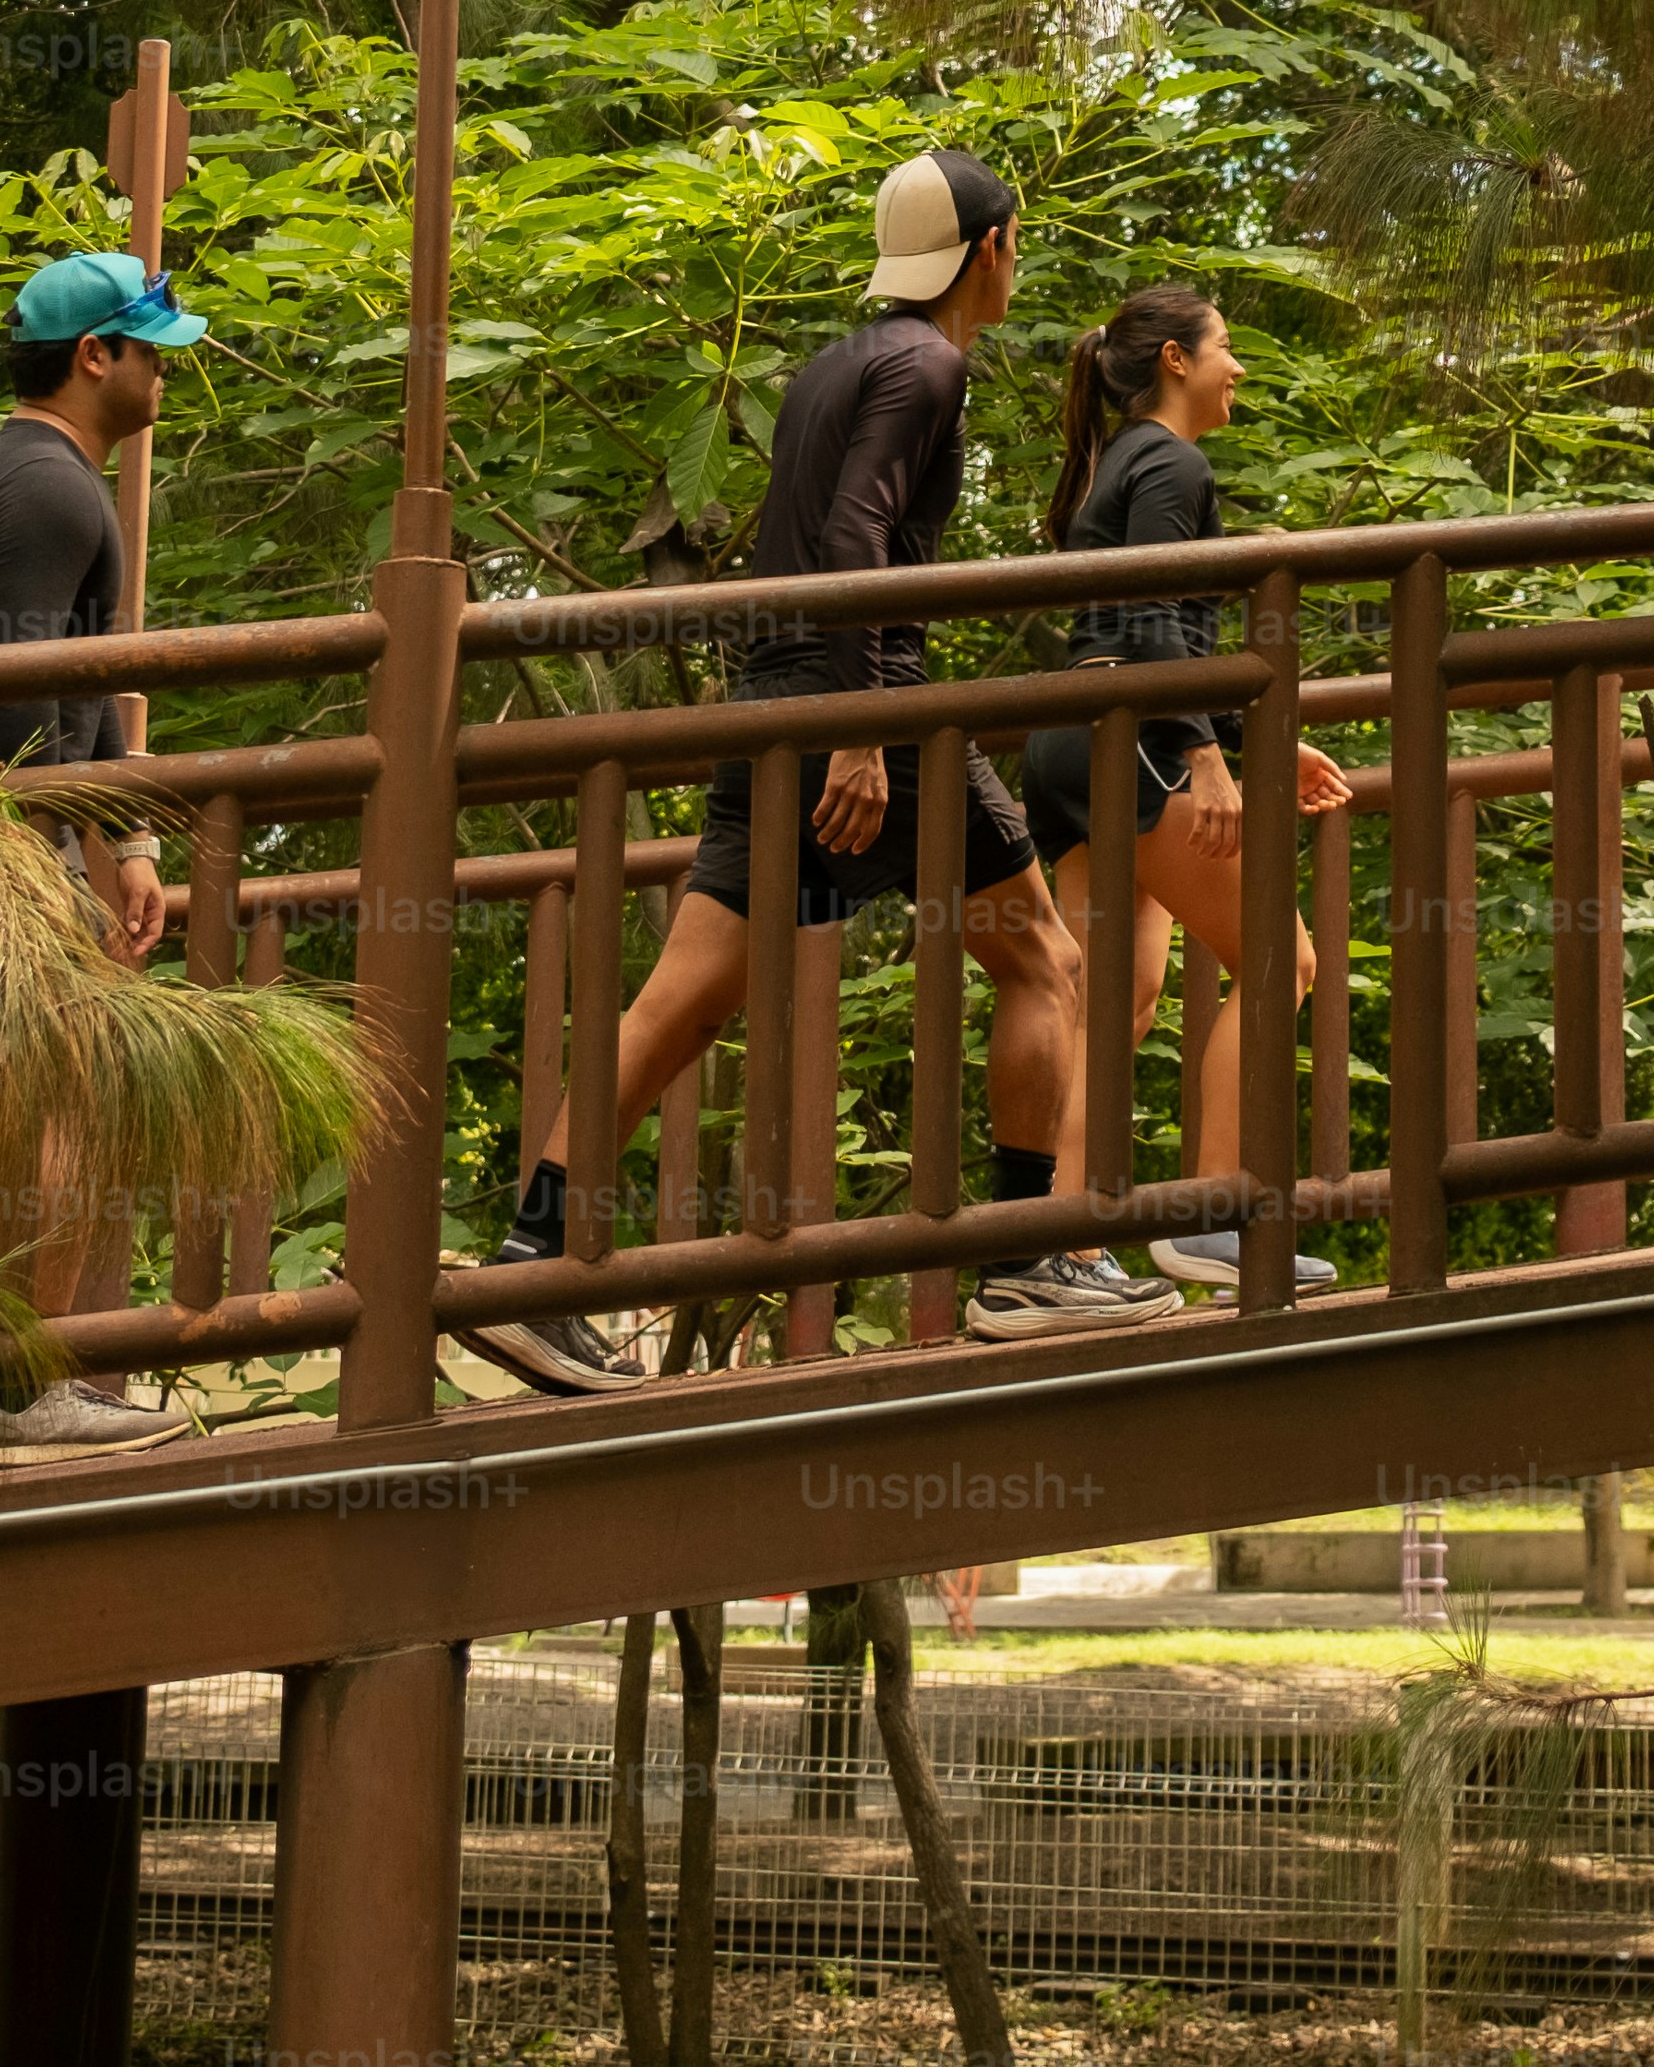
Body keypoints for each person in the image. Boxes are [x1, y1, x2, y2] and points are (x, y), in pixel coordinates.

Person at [453, 149, 1163, 1395]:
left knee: (683, 1000)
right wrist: (858, 730)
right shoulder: (930, 364)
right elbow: (853, 535)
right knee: (1046, 960)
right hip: (868, 706)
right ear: (988, 248)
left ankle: (532, 1259)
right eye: (1018, 242)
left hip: (767, 702)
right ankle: (1023, 1259)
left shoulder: (838, 362)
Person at [0, 246, 207, 1452]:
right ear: (96, 357)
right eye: (153, 353)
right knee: (64, 1107)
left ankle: (20, 1380)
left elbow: (81, 687)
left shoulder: (45, 476)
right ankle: (23, 1390)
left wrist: (124, 835)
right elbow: (22, 704)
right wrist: (85, 859)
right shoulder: (52, 489)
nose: (163, 378)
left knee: (29, 1111)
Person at [1011, 284, 1353, 1299]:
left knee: (1112, 1001)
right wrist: (1206, 755)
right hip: (1142, 745)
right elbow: (1160, 610)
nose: (1236, 368)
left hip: (1078, 736)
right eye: (1226, 348)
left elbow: (1137, 626)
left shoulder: (1121, 461)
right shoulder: (1170, 458)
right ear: (1174, 358)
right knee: (1282, 962)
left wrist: (1259, 742)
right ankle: (1209, 1214)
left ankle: (1060, 1247)